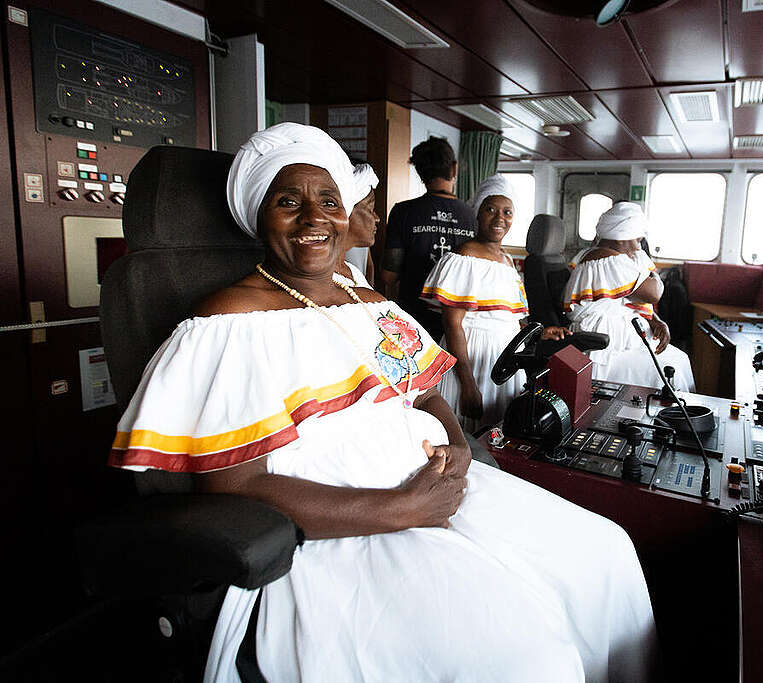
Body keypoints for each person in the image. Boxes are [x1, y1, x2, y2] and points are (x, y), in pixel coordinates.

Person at [108, 124, 656, 683]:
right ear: (259, 217)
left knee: (604, 556)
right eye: (287, 202)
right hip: (337, 517)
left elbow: (424, 387)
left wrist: (459, 444)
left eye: (328, 200)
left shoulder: (364, 298)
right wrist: (401, 510)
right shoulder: (227, 320)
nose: (314, 218)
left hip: (430, 476)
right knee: (529, 658)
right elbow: (233, 486)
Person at [421, 175, 569, 433]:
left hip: (504, 358)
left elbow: (510, 319)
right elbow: (453, 325)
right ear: (477, 214)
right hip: (471, 359)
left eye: (507, 212)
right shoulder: (463, 257)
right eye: (490, 209)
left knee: (499, 432)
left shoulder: (508, 261)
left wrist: (541, 333)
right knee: (470, 435)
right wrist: (467, 383)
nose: (500, 218)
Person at [562, 202, 695, 391]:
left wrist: (654, 320)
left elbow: (625, 301)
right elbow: (654, 293)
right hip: (604, 350)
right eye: (638, 240)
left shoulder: (606, 256)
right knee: (672, 368)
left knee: (679, 360)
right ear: (621, 237)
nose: (638, 248)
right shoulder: (606, 259)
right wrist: (650, 269)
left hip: (615, 342)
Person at [380, 136, 476, 340]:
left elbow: (389, 276)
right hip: (460, 324)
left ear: (420, 172)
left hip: (413, 322)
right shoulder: (473, 216)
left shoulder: (403, 212)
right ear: (454, 168)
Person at [335, 162, 378, 288]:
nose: (377, 218)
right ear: (346, 212)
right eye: (371, 209)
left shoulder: (354, 274)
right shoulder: (324, 279)